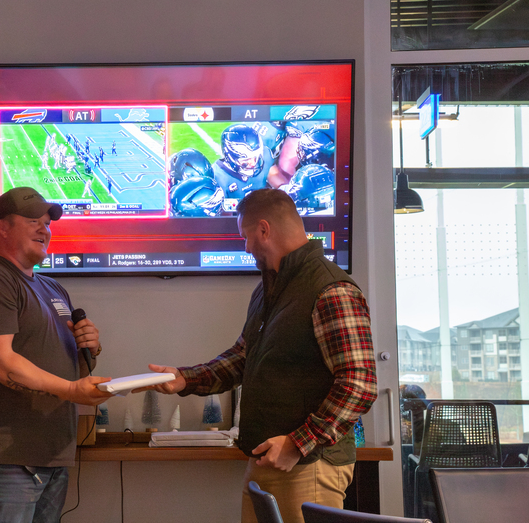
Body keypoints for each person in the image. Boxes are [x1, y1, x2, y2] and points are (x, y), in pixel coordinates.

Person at [142, 188, 377, 523]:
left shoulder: (330, 289)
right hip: (267, 459)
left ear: (264, 230)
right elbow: (244, 357)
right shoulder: (270, 287)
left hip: (307, 464)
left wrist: (298, 444)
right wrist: (184, 379)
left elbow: (359, 383)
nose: (247, 247)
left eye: (245, 237)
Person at [0, 187, 113, 523]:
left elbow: (61, 364)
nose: (44, 229)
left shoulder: (53, 288)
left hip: (49, 455)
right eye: (33, 220)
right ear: (2, 227)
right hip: (1, 458)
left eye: (47, 223)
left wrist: (90, 345)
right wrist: (70, 390)